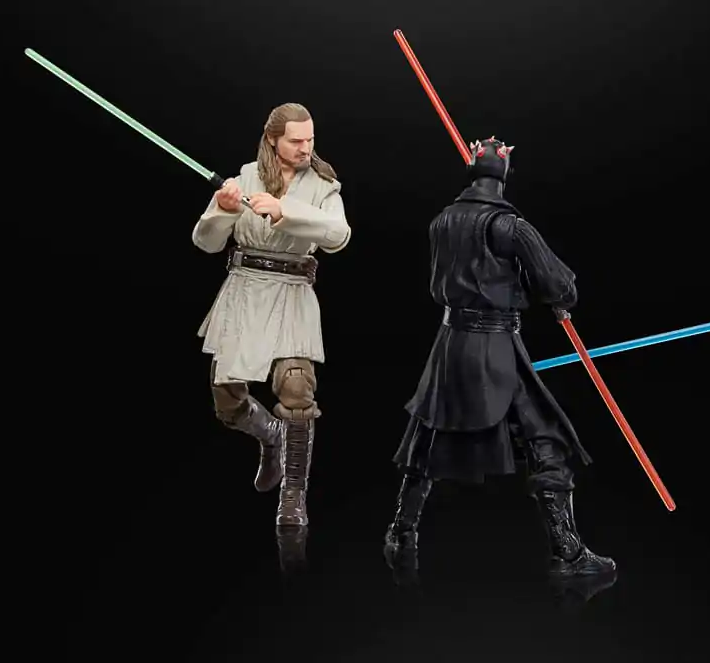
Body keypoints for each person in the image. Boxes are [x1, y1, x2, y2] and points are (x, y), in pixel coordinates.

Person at [383, 137, 615, 583]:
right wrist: (556, 297)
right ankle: (568, 553)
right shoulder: (511, 226)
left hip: (449, 344)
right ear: (504, 176)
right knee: (546, 440)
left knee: (426, 436)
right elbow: (557, 283)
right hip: (494, 346)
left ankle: (401, 531)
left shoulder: (441, 221)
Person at [191, 103, 351, 527]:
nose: (305, 148)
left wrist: (286, 212)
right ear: (272, 140)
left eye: (309, 139)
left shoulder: (323, 187)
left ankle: (293, 494)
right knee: (226, 397)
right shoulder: (244, 179)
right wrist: (223, 210)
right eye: (295, 141)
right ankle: (270, 436)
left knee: (297, 388)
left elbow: (338, 235)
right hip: (244, 290)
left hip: (291, 291)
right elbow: (206, 243)